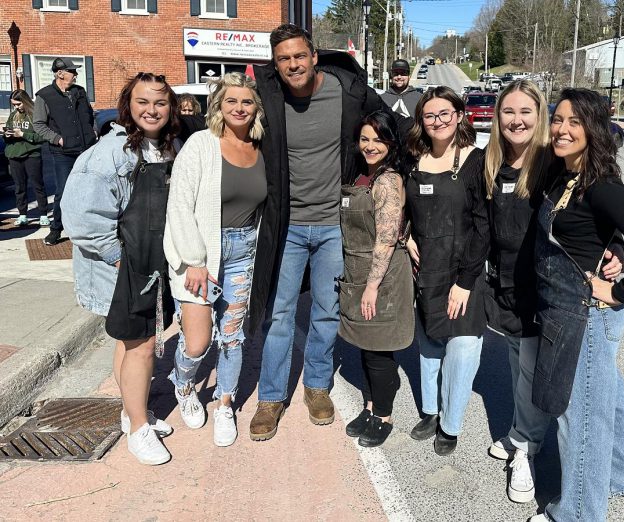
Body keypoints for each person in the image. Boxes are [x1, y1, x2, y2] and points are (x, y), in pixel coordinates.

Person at [528, 88, 624, 522]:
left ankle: (577, 513)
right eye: (557, 119)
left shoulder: (600, 185)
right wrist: (613, 247)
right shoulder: (564, 173)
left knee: (582, 418)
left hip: (587, 315)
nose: (562, 129)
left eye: (574, 122)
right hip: (571, 310)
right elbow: (595, 233)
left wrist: (619, 290)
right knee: (607, 400)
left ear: (592, 129)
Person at [248, 23, 396, 441]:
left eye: (299, 56)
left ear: (314, 56)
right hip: (287, 226)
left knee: (327, 311)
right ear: (275, 65)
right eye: (283, 59)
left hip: (335, 224)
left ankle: (316, 385)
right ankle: (271, 397)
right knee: (278, 315)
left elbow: (390, 131)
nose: (292, 64)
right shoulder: (267, 96)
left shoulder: (348, 93)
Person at [482, 80, 624, 504]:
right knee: (517, 366)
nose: (517, 120)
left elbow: (599, 206)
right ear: (497, 117)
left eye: (527, 111)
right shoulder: (486, 164)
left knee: (534, 374)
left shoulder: (553, 161)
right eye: (509, 111)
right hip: (502, 286)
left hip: (547, 291)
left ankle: (525, 445)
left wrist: (616, 247)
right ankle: (623, 468)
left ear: (538, 116)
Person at [62, 72, 180, 466]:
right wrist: (118, 257)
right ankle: (139, 430)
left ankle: (133, 413)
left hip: (151, 264)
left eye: (160, 103)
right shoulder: (111, 152)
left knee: (129, 343)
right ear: (128, 104)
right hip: (125, 268)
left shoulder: (161, 147)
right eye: (143, 102)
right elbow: (79, 216)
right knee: (142, 344)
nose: (151, 110)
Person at [164, 73, 267, 448]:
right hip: (202, 254)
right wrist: (193, 260)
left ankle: (225, 402)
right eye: (231, 101)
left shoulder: (259, 147)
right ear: (219, 106)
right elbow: (179, 205)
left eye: (247, 102)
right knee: (196, 342)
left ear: (256, 108)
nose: (239, 108)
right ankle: (184, 383)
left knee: (233, 338)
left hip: (244, 252)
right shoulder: (200, 145)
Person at [404, 86, 488, 456]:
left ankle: (451, 423)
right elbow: (401, 209)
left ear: (459, 115)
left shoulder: (476, 161)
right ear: (421, 121)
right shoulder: (412, 160)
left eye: (445, 114)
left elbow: (485, 226)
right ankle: (430, 411)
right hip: (426, 268)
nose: (437, 122)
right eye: (429, 115)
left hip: (464, 272)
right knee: (429, 344)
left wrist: (465, 282)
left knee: (463, 349)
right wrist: (406, 237)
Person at [339, 111, 414, 448]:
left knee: (379, 351)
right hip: (358, 270)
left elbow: (385, 239)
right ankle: (370, 406)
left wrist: (371, 287)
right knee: (365, 347)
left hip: (381, 275)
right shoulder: (362, 176)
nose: (370, 146)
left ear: (391, 143)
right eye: (365, 139)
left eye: (378, 139)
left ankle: (383, 414)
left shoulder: (386, 180)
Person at [34, 57, 96, 246]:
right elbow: (38, 124)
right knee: (63, 191)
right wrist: (57, 139)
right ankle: (56, 229)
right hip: (63, 153)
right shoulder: (44, 96)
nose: (75, 75)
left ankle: (88, 227)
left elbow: (89, 115)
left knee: (89, 190)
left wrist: (93, 132)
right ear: (60, 73)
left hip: (86, 149)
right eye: (72, 71)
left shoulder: (80, 92)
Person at [4, 89, 48, 227]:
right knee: (19, 187)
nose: (16, 107)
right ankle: (22, 214)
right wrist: (7, 134)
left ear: (25, 101)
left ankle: (43, 214)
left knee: (38, 185)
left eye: (18, 104)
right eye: (14, 105)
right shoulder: (13, 115)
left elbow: (42, 137)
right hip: (14, 154)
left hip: (32, 155)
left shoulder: (35, 115)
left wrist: (23, 134)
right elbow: (8, 132)